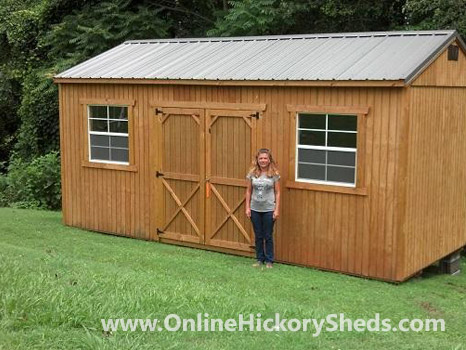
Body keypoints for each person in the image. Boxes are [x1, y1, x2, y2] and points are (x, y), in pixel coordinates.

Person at [245, 148, 281, 269]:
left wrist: (276, 210)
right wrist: (247, 208)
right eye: (261, 158)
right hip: (255, 209)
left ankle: (269, 260)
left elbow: (278, 192)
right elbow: (249, 191)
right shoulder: (252, 174)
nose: (263, 160)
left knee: (268, 235)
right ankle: (260, 259)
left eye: (265, 158)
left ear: (269, 160)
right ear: (257, 160)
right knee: (258, 235)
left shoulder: (274, 174)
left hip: (269, 209)